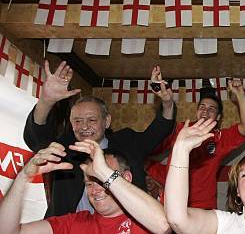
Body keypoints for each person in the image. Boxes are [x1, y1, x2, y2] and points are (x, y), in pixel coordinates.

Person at [0, 140, 170, 234]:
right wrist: (23, 177)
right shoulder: (74, 224)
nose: (95, 190)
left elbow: (163, 224)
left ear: (125, 178)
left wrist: (106, 175)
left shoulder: (146, 219)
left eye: (101, 180)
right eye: (89, 183)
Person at [23, 62, 176, 218]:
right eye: (77, 121)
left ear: (107, 121)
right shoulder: (64, 148)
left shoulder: (126, 142)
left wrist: (167, 102)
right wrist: (47, 101)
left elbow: (160, 130)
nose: (84, 127)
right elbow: (36, 139)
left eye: (91, 120)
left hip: (122, 231)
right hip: (69, 232)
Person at [147, 78, 245, 234]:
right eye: (202, 107)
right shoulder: (180, 130)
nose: (205, 111)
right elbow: (150, 147)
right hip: (172, 214)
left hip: (203, 217)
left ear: (218, 117)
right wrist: (153, 174)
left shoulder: (219, 138)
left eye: (211, 109)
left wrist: (240, 94)